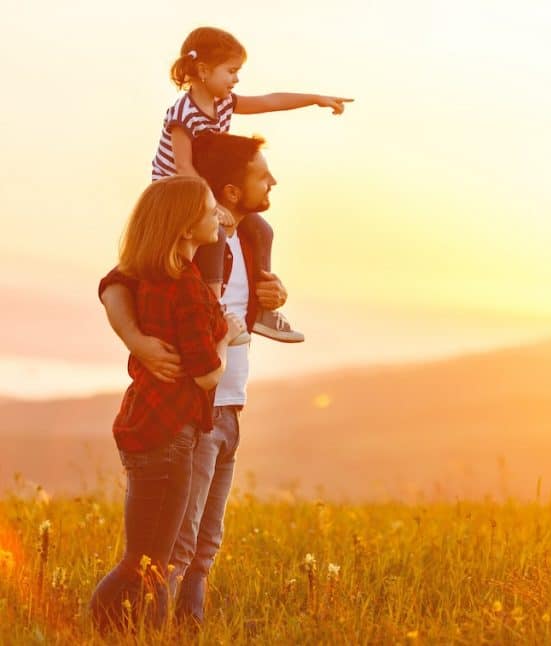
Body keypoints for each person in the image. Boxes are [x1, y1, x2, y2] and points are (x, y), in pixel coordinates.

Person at [101, 131, 289, 627]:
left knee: (206, 541)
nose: (272, 181)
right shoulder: (184, 254)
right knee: (172, 546)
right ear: (228, 190)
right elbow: (117, 282)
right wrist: (137, 341)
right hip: (191, 410)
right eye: (260, 174)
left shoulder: (250, 238)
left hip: (228, 405)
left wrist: (271, 300)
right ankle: (146, 629)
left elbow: (228, 318)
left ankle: (187, 627)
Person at [90, 176, 246, 633]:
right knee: (151, 563)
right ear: (183, 228)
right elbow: (206, 374)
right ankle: (127, 632)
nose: (217, 215)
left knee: (144, 559)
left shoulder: (159, 278)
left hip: (145, 423)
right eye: (209, 207)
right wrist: (227, 335)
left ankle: (110, 631)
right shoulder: (187, 288)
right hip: (171, 435)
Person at [152, 25, 353, 343]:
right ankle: (212, 310)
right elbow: (183, 167)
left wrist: (315, 98)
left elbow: (270, 101)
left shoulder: (224, 103)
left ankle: (261, 310)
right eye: (231, 71)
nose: (236, 79)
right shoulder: (183, 113)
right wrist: (211, 205)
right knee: (215, 233)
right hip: (177, 192)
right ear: (203, 70)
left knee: (262, 230)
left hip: (205, 188)